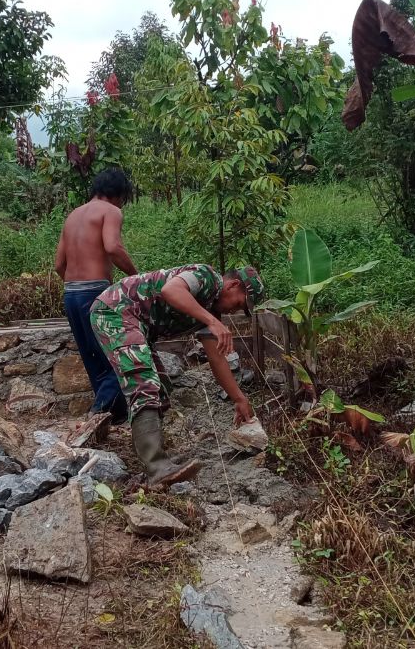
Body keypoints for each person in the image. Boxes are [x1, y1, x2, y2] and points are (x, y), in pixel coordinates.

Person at [91, 263, 263, 486]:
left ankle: (156, 457)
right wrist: (212, 321)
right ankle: (156, 467)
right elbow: (170, 290)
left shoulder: (211, 310)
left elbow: (216, 358)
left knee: (161, 389)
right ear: (233, 285)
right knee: (144, 384)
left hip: (136, 324)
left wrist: (239, 398)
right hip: (117, 310)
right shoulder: (206, 276)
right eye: (240, 303)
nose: (236, 310)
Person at [54, 167, 138, 425]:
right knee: (113, 355)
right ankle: (97, 415)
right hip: (95, 292)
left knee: (94, 360)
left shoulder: (73, 215)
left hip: (71, 294)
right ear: (118, 193)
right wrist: (135, 277)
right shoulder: (111, 211)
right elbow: (113, 247)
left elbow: (59, 265)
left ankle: (113, 415)